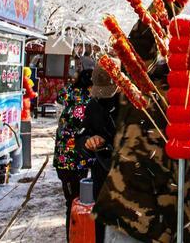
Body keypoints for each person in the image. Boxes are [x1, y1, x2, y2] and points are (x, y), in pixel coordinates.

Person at [94, 0, 190, 242]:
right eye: (184, 46)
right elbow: (144, 35)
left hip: (183, 227)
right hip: (131, 218)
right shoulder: (149, 82)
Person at [75, 58, 121, 243]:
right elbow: (81, 135)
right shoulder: (94, 105)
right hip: (102, 177)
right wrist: (87, 142)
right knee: (102, 230)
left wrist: (111, 143)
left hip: (129, 179)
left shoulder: (135, 105)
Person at [53, 68, 94, 242]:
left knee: (70, 199)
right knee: (76, 200)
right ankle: (75, 235)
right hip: (76, 158)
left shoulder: (69, 93)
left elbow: (58, 96)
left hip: (63, 157)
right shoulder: (87, 100)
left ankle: (73, 235)